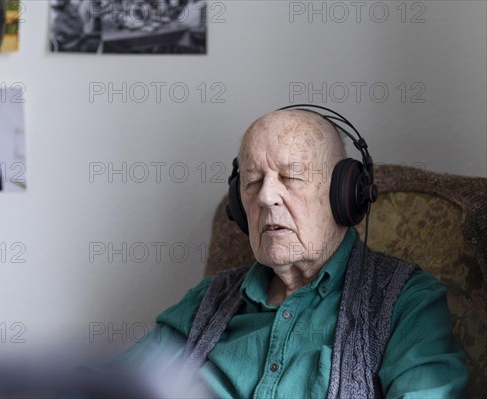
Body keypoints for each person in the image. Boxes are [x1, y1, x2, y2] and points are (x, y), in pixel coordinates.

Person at [105, 107, 469, 398]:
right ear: (237, 203)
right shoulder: (209, 301)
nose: (265, 197)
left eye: (291, 177)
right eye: (251, 182)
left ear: (345, 196)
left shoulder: (407, 302)